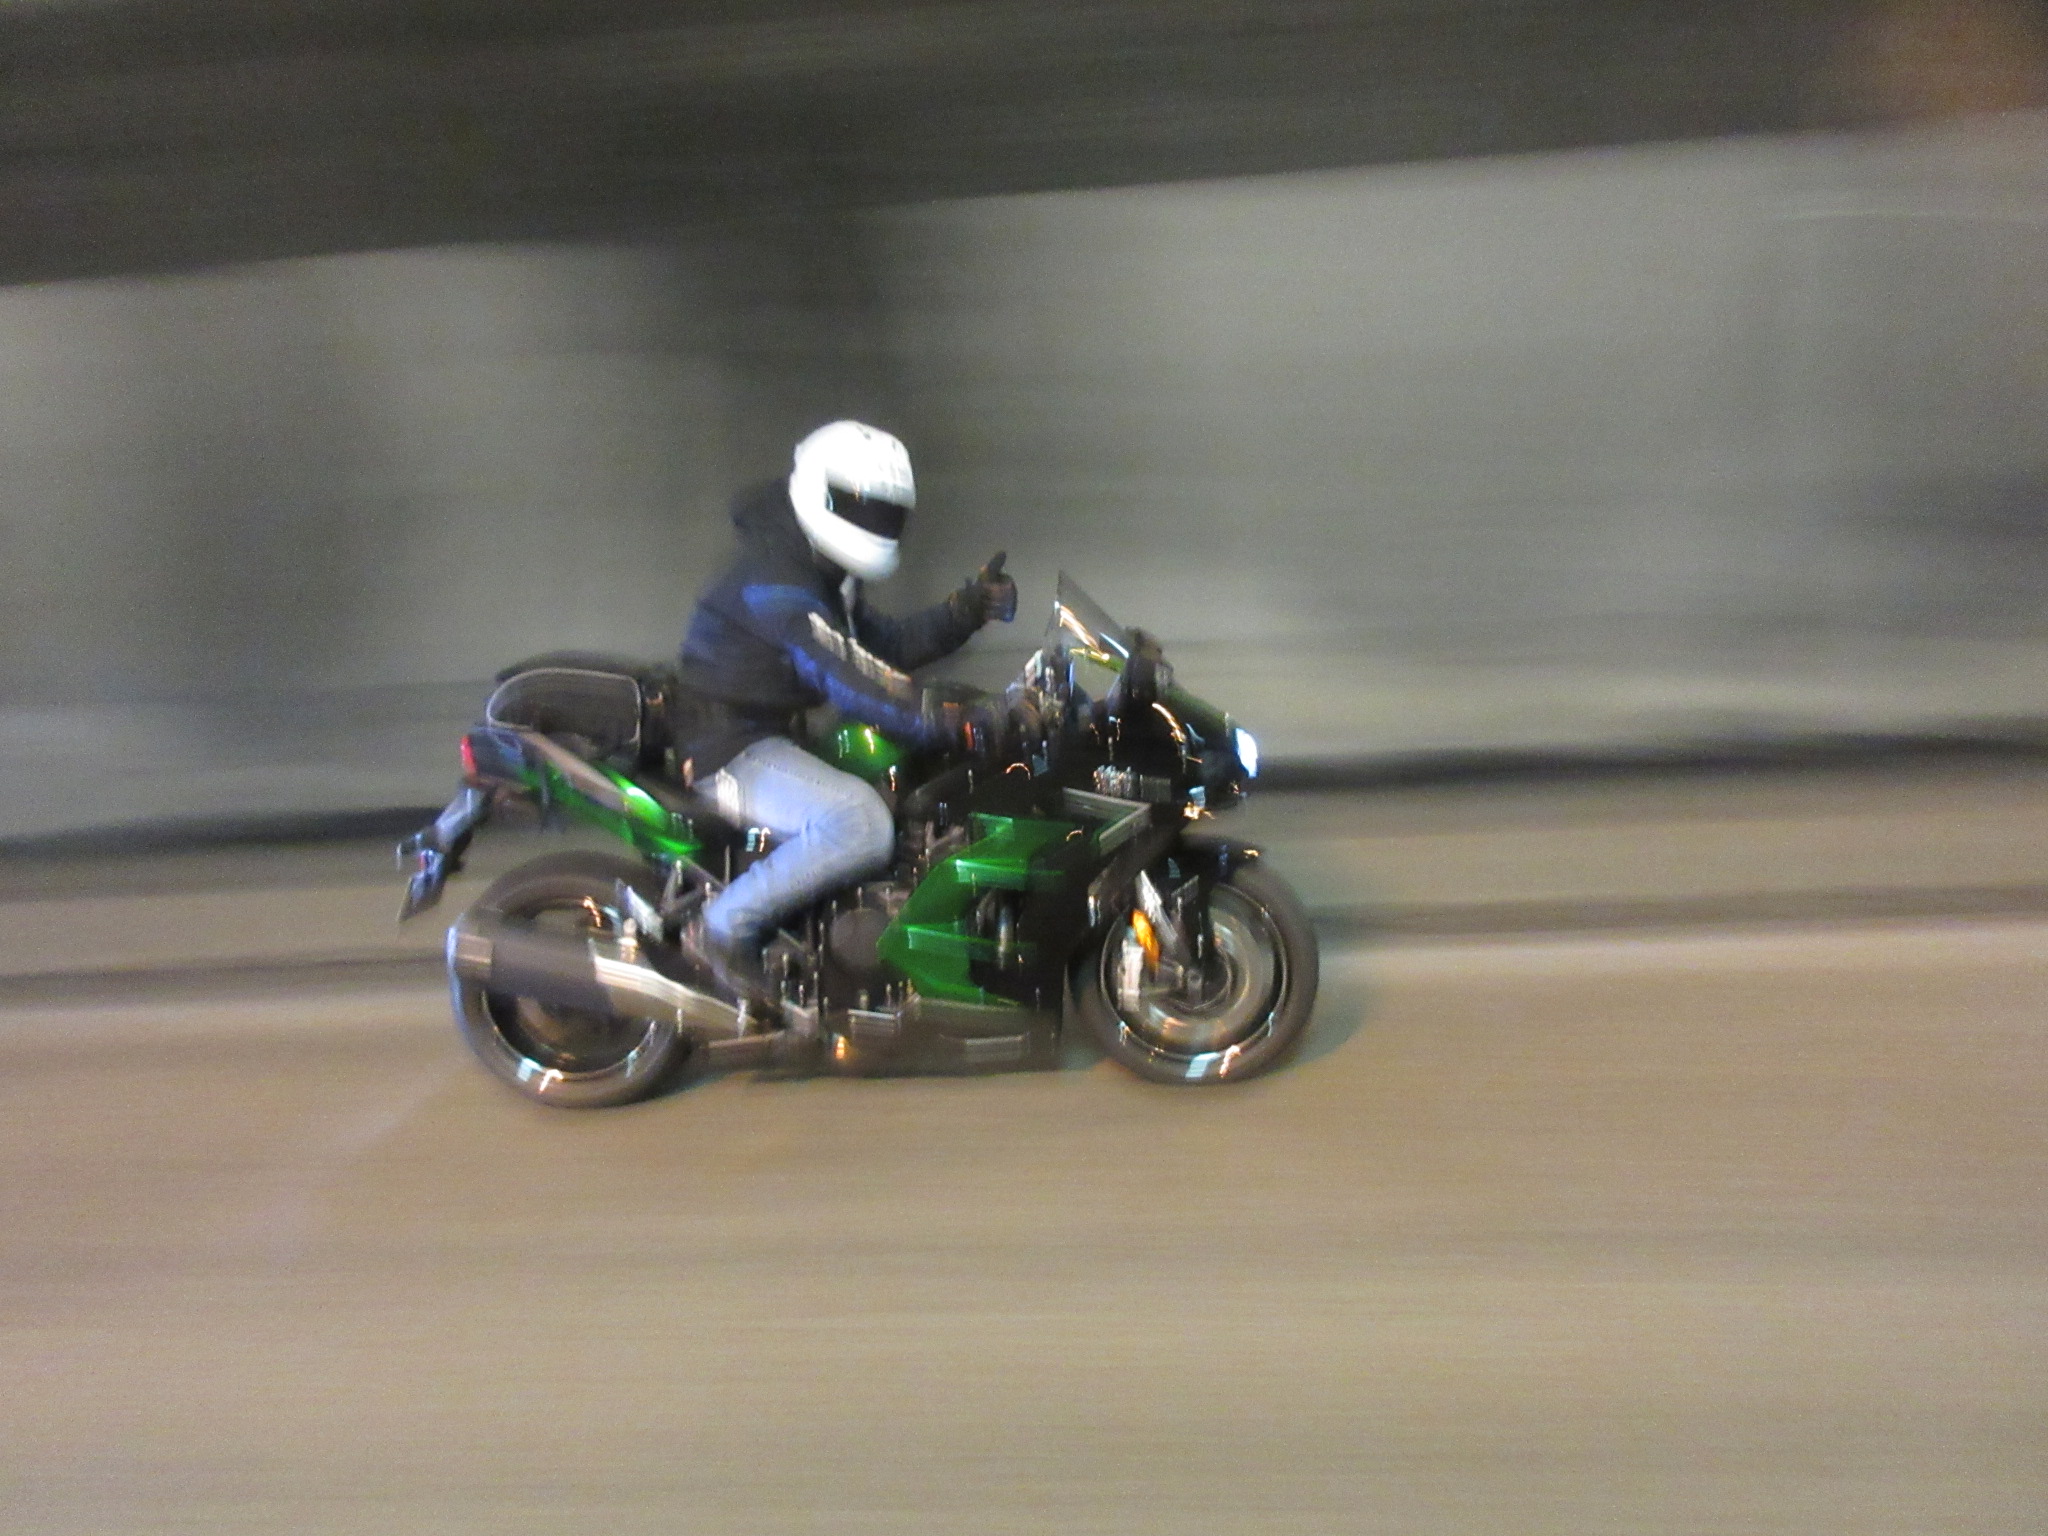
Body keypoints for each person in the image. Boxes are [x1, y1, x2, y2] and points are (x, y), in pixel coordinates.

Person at [674, 420, 1016, 1003]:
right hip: (729, 747)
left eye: (887, 514)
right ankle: (719, 931)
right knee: (860, 821)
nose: (875, 524)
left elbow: (880, 648)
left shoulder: (823, 567)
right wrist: (943, 719)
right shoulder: (778, 578)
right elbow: (846, 678)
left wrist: (965, 611)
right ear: (819, 493)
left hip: (776, 734)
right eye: (861, 509)